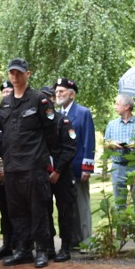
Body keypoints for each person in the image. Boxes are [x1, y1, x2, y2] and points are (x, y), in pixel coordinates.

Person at [0, 59, 59, 269]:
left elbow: (52, 132)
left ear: (28, 74)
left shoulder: (39, 100)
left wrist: (45, 158)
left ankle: (41, 250)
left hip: (34, 165)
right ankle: (23, 249)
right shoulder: (5, 103)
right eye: (12, 73)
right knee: (17, 210)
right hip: (12, 166)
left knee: (38, 208)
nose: (15, 77)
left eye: (19, 73)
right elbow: (5, 134)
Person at [54, 78, 95, 248]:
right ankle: (74, 239)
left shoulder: (83, 112)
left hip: (78, 166)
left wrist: (87, 167)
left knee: (81, 204)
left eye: (61, 91)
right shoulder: (57, 114)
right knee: (68, 205)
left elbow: (88, 140)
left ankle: (86, 240)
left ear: (72, 94)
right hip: (63, 168)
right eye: (56, 92)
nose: (58, 94)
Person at [41, 85, 77, 262]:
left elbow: (69, 149)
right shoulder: (36, 125)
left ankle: (65, 248)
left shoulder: (63, 121)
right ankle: (48, 246)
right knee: (44, 211)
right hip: (43, 175)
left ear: (52, 101)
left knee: (65, 211)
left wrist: (57, 171)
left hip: (61, 174)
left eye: (48, 98)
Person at [103, 94, 135, 209]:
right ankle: (122, 227)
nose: (115, 106)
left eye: (117, 104)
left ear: (126, 106)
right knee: (119, 203)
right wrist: (111, 144)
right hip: (118, 167)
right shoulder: (112, 124)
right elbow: (106, 144)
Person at [0, 80, 15, 260]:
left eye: (9, 90)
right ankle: (7, 244)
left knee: (18, 209)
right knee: (4, 209)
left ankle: (22, 243)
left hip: (15, 170)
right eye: (4, 91)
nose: (6, 93)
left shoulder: (18, 116)